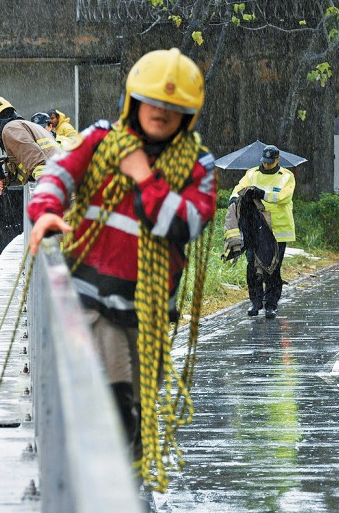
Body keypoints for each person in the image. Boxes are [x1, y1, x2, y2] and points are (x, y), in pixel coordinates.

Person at [27, 48, 216, 461]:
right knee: (115, 402)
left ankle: (127, 488)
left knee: (140, 414)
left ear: (188, 116)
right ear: (133, 101)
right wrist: (44, 213)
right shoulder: (98, 139)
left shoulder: (197, 167)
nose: (161, 113)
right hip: (94, 300)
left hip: (148, 314)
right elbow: (57, 173)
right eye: (153, 102)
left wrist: (144, 176)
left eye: (173, 107)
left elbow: (183, 223)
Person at [230, 145, 296, 319]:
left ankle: (271, 305)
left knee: (272, 268)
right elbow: (238, 189)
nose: (266, 165)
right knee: (252, 265)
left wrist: (262, 194)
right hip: (254, 228)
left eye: (270, 162)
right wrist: (235, 198)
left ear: (277, 160)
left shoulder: (287, 176)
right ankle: (255, 302)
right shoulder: (251, 174)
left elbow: (283, 197)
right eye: (264, 162)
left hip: (277, 230)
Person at [0, 96, 61, 194]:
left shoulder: (10, 129)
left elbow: (37, 162)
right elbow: (26, 171)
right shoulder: (25, 126)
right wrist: (7, 179)